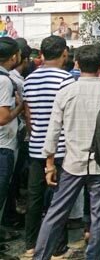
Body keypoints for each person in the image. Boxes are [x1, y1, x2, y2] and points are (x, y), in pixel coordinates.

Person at [33, 44, 100, 260]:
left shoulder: (66, 91)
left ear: (77, 63)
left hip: (72, 162)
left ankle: (41, 256)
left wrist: (49, 163)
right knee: (99, 215)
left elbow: (53, 131)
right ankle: (94, 256)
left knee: (56, 213)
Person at [23, 36, 75, 258]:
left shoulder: (29, 80)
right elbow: (70, 117)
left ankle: (31, 243)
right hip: (61, 148)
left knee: (34, 198)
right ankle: (58, 245)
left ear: (42, 54)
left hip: (36, 147)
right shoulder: (67, 80)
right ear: (64, 53)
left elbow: (29, 116)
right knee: (58, 199)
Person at [0, 38, 23, 244]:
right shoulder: (5, 81)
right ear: (14, 56)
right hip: (3, 146)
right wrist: (20, 107)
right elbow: (3, 117)